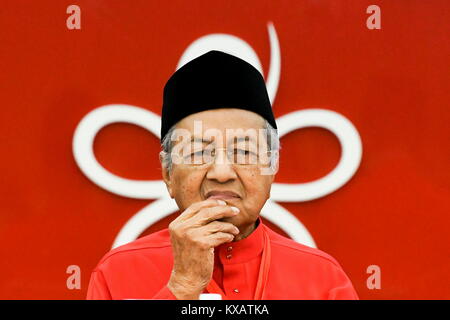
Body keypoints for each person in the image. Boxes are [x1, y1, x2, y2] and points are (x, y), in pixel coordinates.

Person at [86, 50, 359, 300]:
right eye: (198, 153)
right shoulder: (117, 272)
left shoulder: (323, 279)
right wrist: (181, 286)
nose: (221, 172)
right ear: (168, 173)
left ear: (273, 167)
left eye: (243, 151)